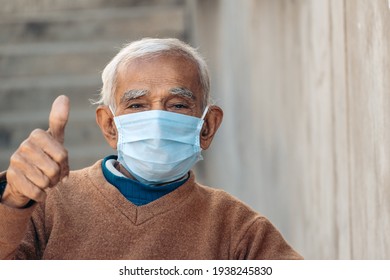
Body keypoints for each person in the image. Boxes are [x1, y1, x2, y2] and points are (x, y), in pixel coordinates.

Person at [0, 38, 302, 260]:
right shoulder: (46, 207)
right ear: (110, 126)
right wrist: (13, 201)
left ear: (207, 126)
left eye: (178, 104)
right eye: (137, 105)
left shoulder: (238, 231)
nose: (157, 120)